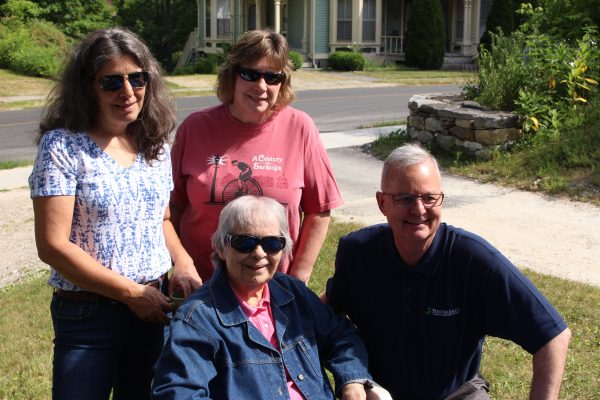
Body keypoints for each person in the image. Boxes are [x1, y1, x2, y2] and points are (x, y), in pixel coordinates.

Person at [29, 28, 201, 399]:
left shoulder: (154, 143)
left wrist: (184, 263)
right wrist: (130, 293)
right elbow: (52, 245)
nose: (127, 92)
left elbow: (162, 219)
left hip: (155, 308)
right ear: (87, 86)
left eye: (137, 78)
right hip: (89, 316)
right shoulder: (62, 146)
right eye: (111, 81)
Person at [325, 143, 571, 399]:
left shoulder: (473, 259)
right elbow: (326, 316)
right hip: (380, 393)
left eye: (429, 198)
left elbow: (553, 336)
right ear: (382, 202)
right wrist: (351, 379)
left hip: (457, 393)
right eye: (405, 199)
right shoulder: (358, 253)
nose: (419, 210)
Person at [152, 195, 392, 399]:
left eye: (271, 243)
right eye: (244, 242)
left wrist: (351, 380)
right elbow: (179, 392)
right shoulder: (198, 319)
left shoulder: (291, 293)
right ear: (222, 248)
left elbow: (340, 335)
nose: (259, 254)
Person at [170, 29, 342, 283]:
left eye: (272, 77)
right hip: (202, 286)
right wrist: (181, 265)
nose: (261, 86)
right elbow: (170, 208)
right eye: (250, 74)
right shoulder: (195, 128)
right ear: (232, 76)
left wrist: (298, 277)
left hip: (272, 288)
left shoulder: (300, 128)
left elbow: (319, 210)